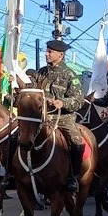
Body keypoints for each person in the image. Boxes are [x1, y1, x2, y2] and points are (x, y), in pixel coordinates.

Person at [31, 40, 85, 191]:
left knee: (76, 142)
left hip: (63, 118)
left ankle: (73, 177)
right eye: (47, 51)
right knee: (19, 136)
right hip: (41, 117)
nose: (46, 54)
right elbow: (32, 91)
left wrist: (63, 102)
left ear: (60, 55)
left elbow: (79, 100)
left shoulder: (70, 75)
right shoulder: (41, 72)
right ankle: (13, 173)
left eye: (50, 52)